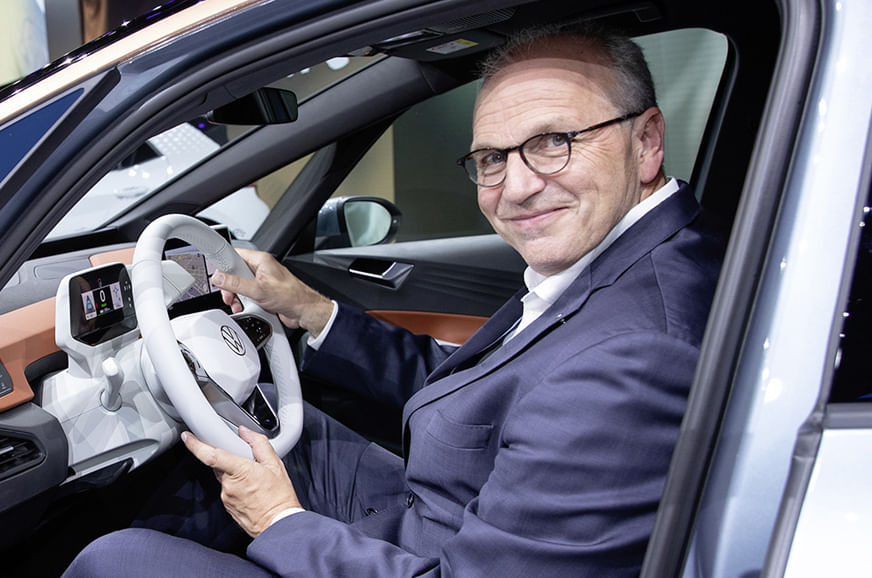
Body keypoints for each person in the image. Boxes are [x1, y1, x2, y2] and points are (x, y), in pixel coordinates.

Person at [63, 24, 724, 577]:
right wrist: (311, 311)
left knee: (115, 561)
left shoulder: (634, 354)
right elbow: (482, 385)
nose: (517, 187)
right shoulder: (632, 261)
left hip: (432, 551)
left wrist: (277, 521)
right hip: (440, 511)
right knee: (257, 436)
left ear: (647, 141)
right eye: (492, 159)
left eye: (554, 142)